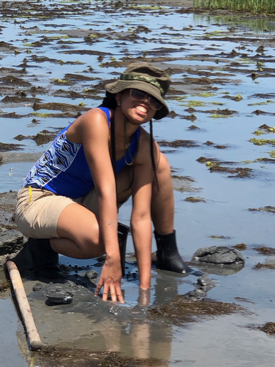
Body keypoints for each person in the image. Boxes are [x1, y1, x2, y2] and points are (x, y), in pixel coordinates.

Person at [15, 62, 193, 303]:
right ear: (119, 96)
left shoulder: (144, 145)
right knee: (100, 242)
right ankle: (41, 248)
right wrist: (112, 259)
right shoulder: (97, 121)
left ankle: (167, 252)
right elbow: (107, 192)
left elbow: (140, 217)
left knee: (159, 163)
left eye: (154, 100)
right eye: (138, 93)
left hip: (82, 199)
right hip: (39, 198)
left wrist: (144, 291)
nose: (145, 102)